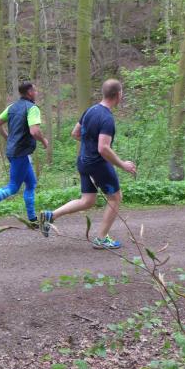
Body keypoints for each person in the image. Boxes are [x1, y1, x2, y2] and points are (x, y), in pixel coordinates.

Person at [40, 79, 137, 248]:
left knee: (87, 200)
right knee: (115, 198)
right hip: (98, 164)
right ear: (118, 95)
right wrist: (123, 165)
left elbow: (75, 133)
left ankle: (50, 216)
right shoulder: (107, 118)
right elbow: (103, 148)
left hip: (83, 161)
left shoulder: (90, 110)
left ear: (104, 93)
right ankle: (101, 239)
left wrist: (90, 143)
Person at [0, 81, 49, 228]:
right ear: (30, 92)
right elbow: (34, 131)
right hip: (21, 153)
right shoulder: (32, 108)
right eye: (35, 91)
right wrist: (44, 141)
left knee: (31, 183)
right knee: (13, 187)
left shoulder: (12, 107)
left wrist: (8, 138)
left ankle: (32, 220)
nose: (37, 93)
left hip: (14, 151)